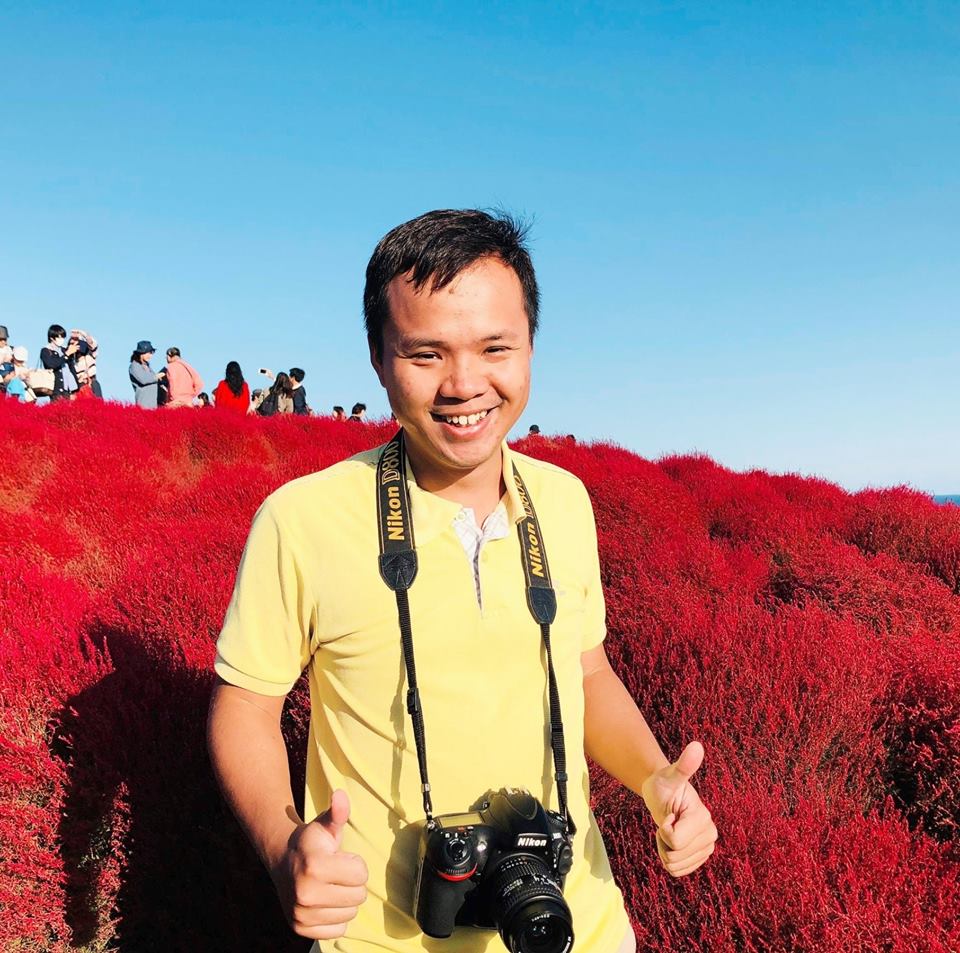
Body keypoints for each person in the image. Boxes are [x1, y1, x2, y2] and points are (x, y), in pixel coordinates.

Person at [208, 209, 717, 953]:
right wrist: (284, 847)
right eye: (425, 353)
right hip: (379, 938)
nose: (464, 383)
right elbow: (244, 707)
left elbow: (586, 670)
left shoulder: (567, 502)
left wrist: (656, 778)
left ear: (531, 348)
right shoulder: (302, 518)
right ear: (380, 359)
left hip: (574, 922)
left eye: (495, 347)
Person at [41, 324, 81, 401]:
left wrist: (77, 339)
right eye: (59, 337)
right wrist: (66, 354)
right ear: (52, 338)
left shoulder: (64, 350)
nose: (62, 339)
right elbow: (51, 364)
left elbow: (72, 370)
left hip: (70, 390)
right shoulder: (46, 351)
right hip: (56, 390)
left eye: (63, 337)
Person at [129, 340, 165, 408]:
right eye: (147, 353)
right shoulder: (134, 366)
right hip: (143, 405)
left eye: (151, 353)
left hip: (153, 405)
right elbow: (143, 380)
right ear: (141, 353)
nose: (150, 355)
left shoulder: (147, 366)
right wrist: (156, 376)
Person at [69, 329, 102, 398]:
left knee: (97, 406)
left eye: (76, 342)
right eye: (72, 343)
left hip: (91, 383)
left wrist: (82, 333)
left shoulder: (90, 354)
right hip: (78, 387)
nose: (74, 344)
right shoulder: (71, 359)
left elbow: (92, 343)